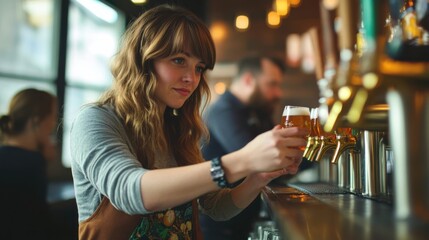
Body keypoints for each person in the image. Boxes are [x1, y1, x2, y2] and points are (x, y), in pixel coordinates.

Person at [69, 4, 308, 240]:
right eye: (179, 60)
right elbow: (131, 191)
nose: (191, 79)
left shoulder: (176, 127)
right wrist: (244, 159)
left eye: (199, 68)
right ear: (143, 58)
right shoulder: (96, 119)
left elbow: (216, 207)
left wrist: (258, 177)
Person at [199, 55, 287, 240]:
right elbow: (264, 159)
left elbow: (277, 155)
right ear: (248, 80)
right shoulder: (224, 110)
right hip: (221, 225)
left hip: (242, 215)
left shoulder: (258, 110)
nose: (278, 93)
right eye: (272, 84)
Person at [0, 88, 58, 240]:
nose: (54, 124)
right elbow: (36, 222)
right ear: (36, 121)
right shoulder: (32, 162)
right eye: (52, 116)